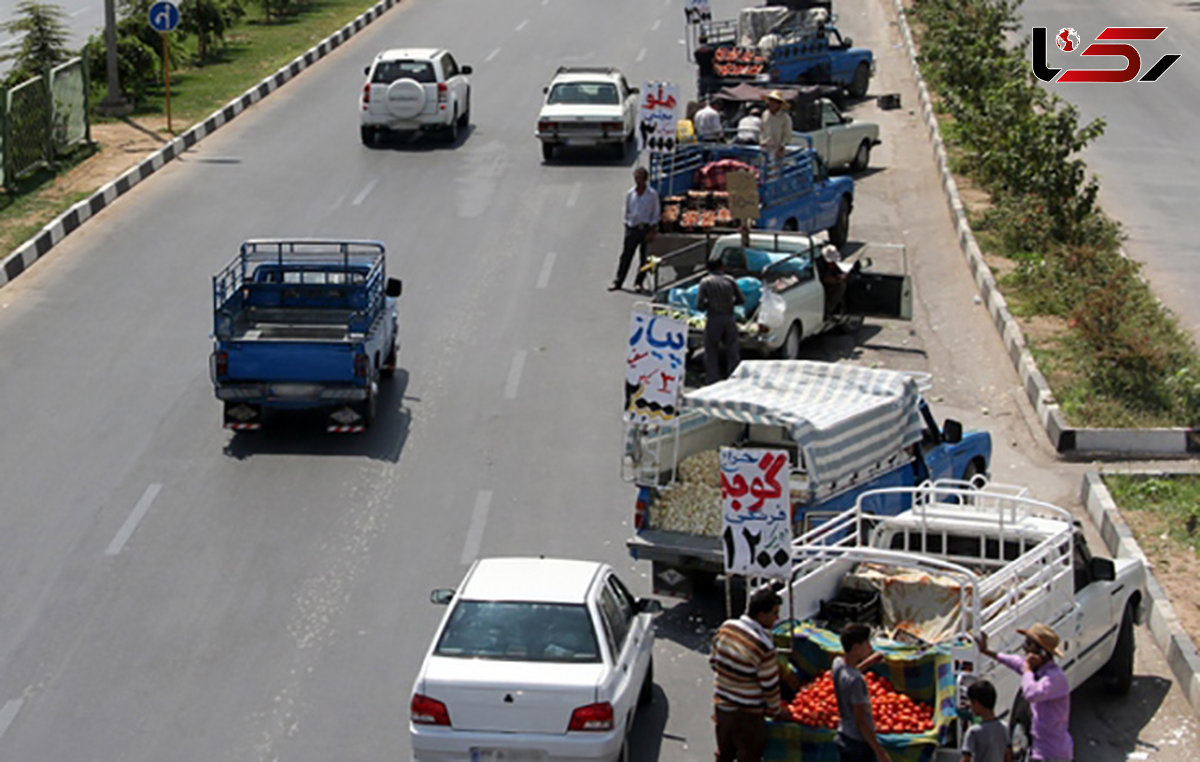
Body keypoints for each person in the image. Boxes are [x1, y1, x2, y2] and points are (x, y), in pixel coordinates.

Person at [709, 586, 787, 762]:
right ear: (761, 615)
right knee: (749, 756)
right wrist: (776, 711)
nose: (777, 618)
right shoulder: (764, 646)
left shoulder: (726, 627)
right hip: (748, 718)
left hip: (722, 709)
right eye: (774, 614)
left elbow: (714, 662)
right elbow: (770, 687)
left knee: (724, 754)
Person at [976, 624, 1072, 762]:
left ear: (1042, 653)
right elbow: (1015, 662)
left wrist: (1027, 671)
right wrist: (987, 652)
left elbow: (1031, 694)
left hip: (1052, 753)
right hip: (1038, 750)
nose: (1025, 650)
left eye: (1029, 645)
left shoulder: (1055, 678)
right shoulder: (1037, 671)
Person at [832, 623, 890, 762]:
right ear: (857, 647)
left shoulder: (838, 663)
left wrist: (869, 662)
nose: (870, 647)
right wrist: (880, 752)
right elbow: (861, 722)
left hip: (844, 735)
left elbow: (850, 671)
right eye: (867, 643)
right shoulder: (857, 682)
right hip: (858, 745)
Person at [610, 167, 661, 293]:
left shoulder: (652, 195)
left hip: (645, 229)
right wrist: (627, 226)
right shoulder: (630, 194)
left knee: (644, 258)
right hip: (632, 228)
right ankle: (618, 281)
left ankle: (639, 282)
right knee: (626, 256)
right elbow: (626, 211)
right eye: (636, 178)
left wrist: (652, 230)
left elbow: (656, 213)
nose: (638, 181)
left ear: (645, 180)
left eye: (640, 179)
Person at [697, 256, 744, 384]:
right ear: (722, 267)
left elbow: (700, 305)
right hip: (729, 318)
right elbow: (741, 300)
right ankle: (734, 378)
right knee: (732, 348)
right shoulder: (730, 280)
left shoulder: (705, 282)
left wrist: (710, 304)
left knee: (711, 349)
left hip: (713, 318)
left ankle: (713, 379)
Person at [961, 679, 1012, 762]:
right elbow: (1008, 755)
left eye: (972, 702)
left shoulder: (973, 732)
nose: (970, 706)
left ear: (977, 703)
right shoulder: (1004, 728)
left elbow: (966, 759)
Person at [760, 90, 794, 164]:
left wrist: (782, 146)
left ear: (779, 104)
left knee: (776, 172)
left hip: (777, 149)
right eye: (771, 101)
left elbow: (787, 135)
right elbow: (762, 129)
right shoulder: (765, 114)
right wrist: (761, 141)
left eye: (774, 101)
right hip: (765, 148)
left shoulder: (785, 118)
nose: (772, 103)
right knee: (764, 170)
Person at [815, 244, 848, 318]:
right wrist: (837, 280)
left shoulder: (832, 264)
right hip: (821, 286)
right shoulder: (819, 263)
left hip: (828, 284)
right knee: (840, 287)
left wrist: (843, 275)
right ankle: (827, 311)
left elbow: (838, 271)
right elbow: (824, 278)